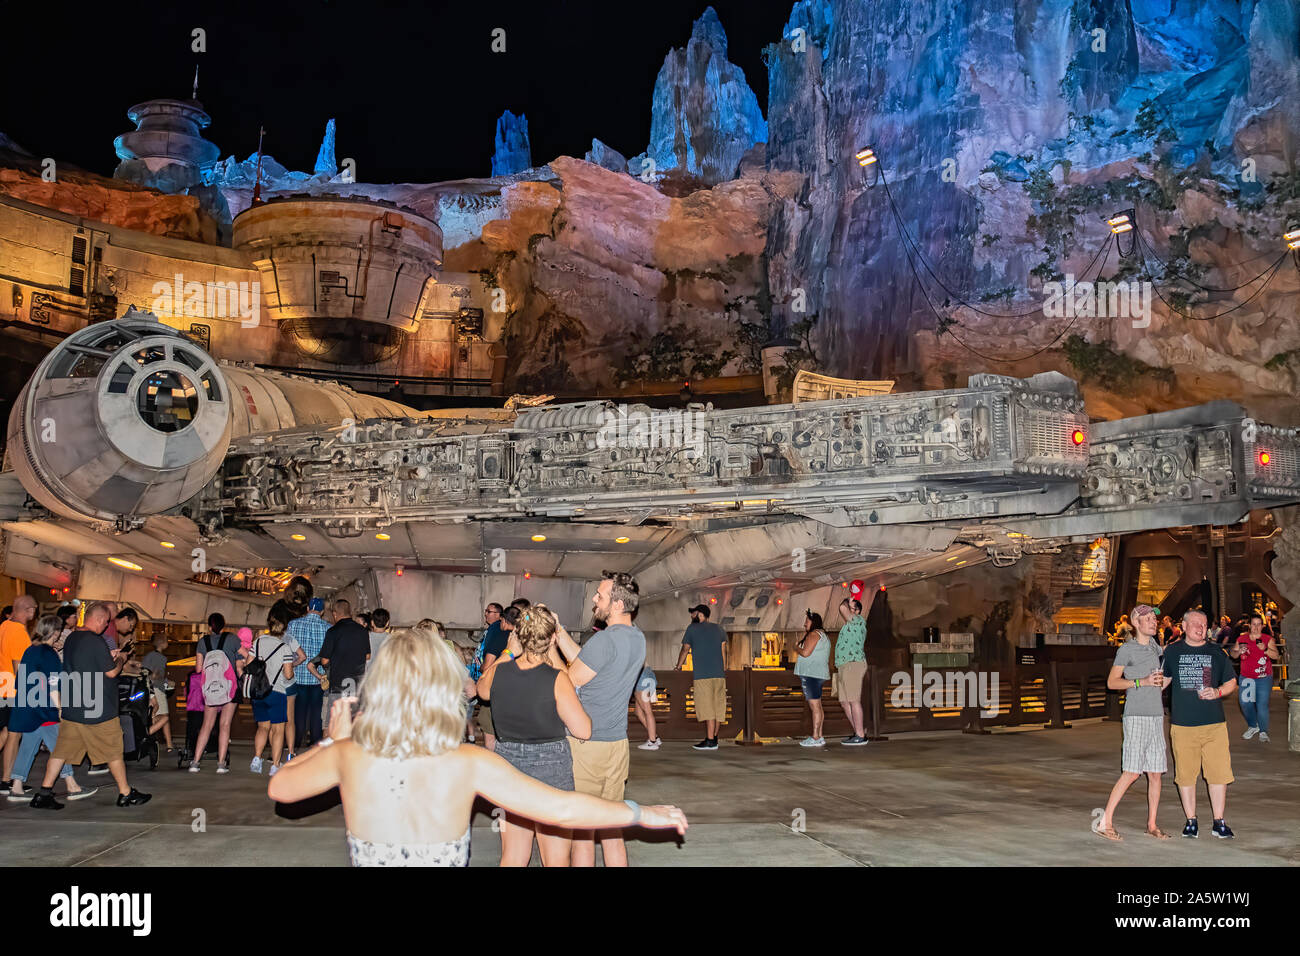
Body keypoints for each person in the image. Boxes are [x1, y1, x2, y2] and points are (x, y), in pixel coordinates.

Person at [268, 631, 686, 867]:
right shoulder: (467, 762)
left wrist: (332, 741)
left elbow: (281, 788)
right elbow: (560, 808)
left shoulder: (348, 755)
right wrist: (640, 813)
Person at [477, 607, 592, 866]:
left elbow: (481, 691)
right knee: (555, 858)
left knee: (514, 855)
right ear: (551, 639)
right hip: (551, 767)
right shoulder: (557, 678)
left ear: (518, 636)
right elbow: (582, 730)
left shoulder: (499, 671)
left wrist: (509, 651)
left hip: (508, 765)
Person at [550, 570, 646, 867]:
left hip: (586, 746)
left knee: (582, 830)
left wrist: (549, 649)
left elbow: (569, 680)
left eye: (601, 595)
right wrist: (559, 631)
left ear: (617, 605)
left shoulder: (604, 641)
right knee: (611, 827)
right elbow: (588, 661)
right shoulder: (636, 637)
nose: (595, 599)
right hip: (616, 745)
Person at [30, 602, 150, 809]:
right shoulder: (95, 641)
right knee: (113, 751)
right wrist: (120, 658)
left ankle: (44, 793)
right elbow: (112, 672)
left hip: (73, 707)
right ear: (98, 619)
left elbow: (87, 664)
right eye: (105, 622)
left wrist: (108, 657)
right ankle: (125, 793)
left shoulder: (72, 638)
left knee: (60, 752)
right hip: (98, 709)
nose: (105, 626)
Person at [1097, 604, 1171, 841]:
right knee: (1131, 772)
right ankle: (1104, 821)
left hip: (1156, 715)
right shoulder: (1126, 650)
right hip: (1136, 715)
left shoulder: (1155, 647)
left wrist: (1165, 680)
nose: (1153, 621)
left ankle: (1151, 824)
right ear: (1136, 623)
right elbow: (1112, 683)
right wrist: (1142, 682)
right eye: (1148, 618)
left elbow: (1158, 682)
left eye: (1154, 618)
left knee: (1156, 772)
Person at [1161, 609, 1237, 839]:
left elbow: (1231, 680)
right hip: (1183, 725)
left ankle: (1219, 821)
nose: (1199, 627)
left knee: (1219, 774)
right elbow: (1162, 680)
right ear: (1183, 626)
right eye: (1194, 623)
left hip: (1214, 724)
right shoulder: (1172, 652)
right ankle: (1191, 820)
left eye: (1203, 624)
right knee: (1186, 775)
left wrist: (1218, 691)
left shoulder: (1216, 651)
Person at [7, 615, 95, 802]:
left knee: (28, 746)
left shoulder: (31, 650)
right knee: (60, 746)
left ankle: (16, 786)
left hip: (27, 706)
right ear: (55, 633)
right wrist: (61, 708)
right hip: (44, 709)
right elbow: (53, 684)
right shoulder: (49, 654)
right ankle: (72, 785)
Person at [189, 612, 242, 773]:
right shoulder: (233, 639)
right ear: (223, 624)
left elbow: (199, 669)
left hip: (211, 688)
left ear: (209, 625)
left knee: (207, 725)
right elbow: (242, 662)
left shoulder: (202, 642)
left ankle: (195, 762)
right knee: (224, 725)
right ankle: (220, 765)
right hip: (229, 687)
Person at [249, 604, 298, 776]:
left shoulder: (257, 642)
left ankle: (256, 758)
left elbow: (249, 664)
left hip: (259, 692)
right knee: (278, 729)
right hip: (277, 692)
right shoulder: (284, 647)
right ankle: (275, 765)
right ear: (284, 626)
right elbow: (289, 674)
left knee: (262, 727)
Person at [676, 604, 728, 750]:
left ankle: (710, 741)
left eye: (693, 613)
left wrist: (678, 666)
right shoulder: (719, 628)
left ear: (700, 614)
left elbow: (685, 649)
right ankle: (715, 738)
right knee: (718, 708)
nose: (691, 616)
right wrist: (723, 670)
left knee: (707, 708)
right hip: (719, 675)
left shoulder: (692, 629)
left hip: (703, 675)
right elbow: (723, 651)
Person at [0, 594, 37, 792]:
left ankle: (7, 779)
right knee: (14, 734)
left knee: (7, 732)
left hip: (2, 686)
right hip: (14, 689)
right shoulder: (20, 633)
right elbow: (20, 668)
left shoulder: (4, 626)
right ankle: (6, 779)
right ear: (29, 610)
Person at [1230, 613, 1280, 743]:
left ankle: (1263, 731)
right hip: (1246, 677)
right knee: (1245, 703)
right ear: (1249, 625)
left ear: (1262, 626)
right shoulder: (1242, 639)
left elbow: (1276, 656)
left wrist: (1265, 650)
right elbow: (1233, 654)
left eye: (1259, 624)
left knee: (1261, 705)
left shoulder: (1268, 639)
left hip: (1264, 677)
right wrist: (1238, 651)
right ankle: (1253, 726)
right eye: (1254, 624)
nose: (1256, 627)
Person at [289, 597, 328, 750]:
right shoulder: (327, 627)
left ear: (307, 609)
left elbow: (289, 649)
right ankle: (315, 743)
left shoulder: (293, 625)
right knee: (316, 714)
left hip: (297, 676)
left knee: (299, 712)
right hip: (319, 678)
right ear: (322, 612)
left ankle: (296, 742)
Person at [469, 603, 507, 750]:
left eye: (489, 611)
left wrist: (484, 670)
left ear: (498, 615)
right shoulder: (492, 629)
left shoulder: (496, 628)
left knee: (487, 725)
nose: (486, 614)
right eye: (486, 611)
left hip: (487, 681)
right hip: (484, 681)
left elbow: (490, 654)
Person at [320, 599, 370, 705]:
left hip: (338, 685)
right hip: (358, 686)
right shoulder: (362, 631)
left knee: (338, 718)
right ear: (350, 612)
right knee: (355, 718)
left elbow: (324, 660)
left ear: (334, 614)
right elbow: (367, 656)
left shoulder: (332, 631)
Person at [834, 597, 870, 745]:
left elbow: (842, 608)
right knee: (844, 701)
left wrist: (847, 600)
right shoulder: (850, 623)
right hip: (843, 664)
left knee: (853, 699)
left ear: (857, 611)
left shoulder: (858, 620)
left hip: (853, 664)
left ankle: (860, 735)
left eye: (851, 608)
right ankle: (858, 731)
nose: (848, 610)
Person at [795, 611, 831, 747]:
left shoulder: (814, 634)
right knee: (818, 706)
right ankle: (820, 736)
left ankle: (815, 737)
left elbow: (805, 653)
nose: (805, 624)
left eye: (807, 621)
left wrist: (796, 647)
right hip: (818, 674)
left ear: (813, 621)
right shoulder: (823, 635)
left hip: (811, 674)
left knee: (814, 707)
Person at [140, 633, 174, 753]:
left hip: (149, 689)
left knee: (154, 715)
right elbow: (158, 676)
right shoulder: (161, 658)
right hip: (158, 690)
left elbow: (144, 672)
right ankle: (168, 744)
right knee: (164, 717)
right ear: (162, 643)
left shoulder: (148, 656)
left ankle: (165, 743)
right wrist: (167, 682)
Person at [633, 654, 660, 751]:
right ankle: (655, 737)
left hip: (641, 679)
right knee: (638, 712)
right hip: (648, 675)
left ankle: (652, 742)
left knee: (647, 711)